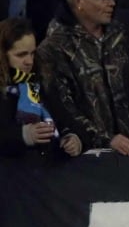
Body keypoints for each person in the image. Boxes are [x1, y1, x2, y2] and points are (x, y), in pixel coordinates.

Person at [36, 0, 129, 155]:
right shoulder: (54, 50)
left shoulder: (119, 35)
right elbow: (64, 110)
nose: (112, 3)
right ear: (79, 1)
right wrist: (106, 139)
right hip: (87, 156)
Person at [2, 17, 82, 158]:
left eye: (32, 53)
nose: (29, 61)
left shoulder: (41, 81)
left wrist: (73, 138)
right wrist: (23, 135)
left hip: (47, 172)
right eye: (21, 55)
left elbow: (65, 120)